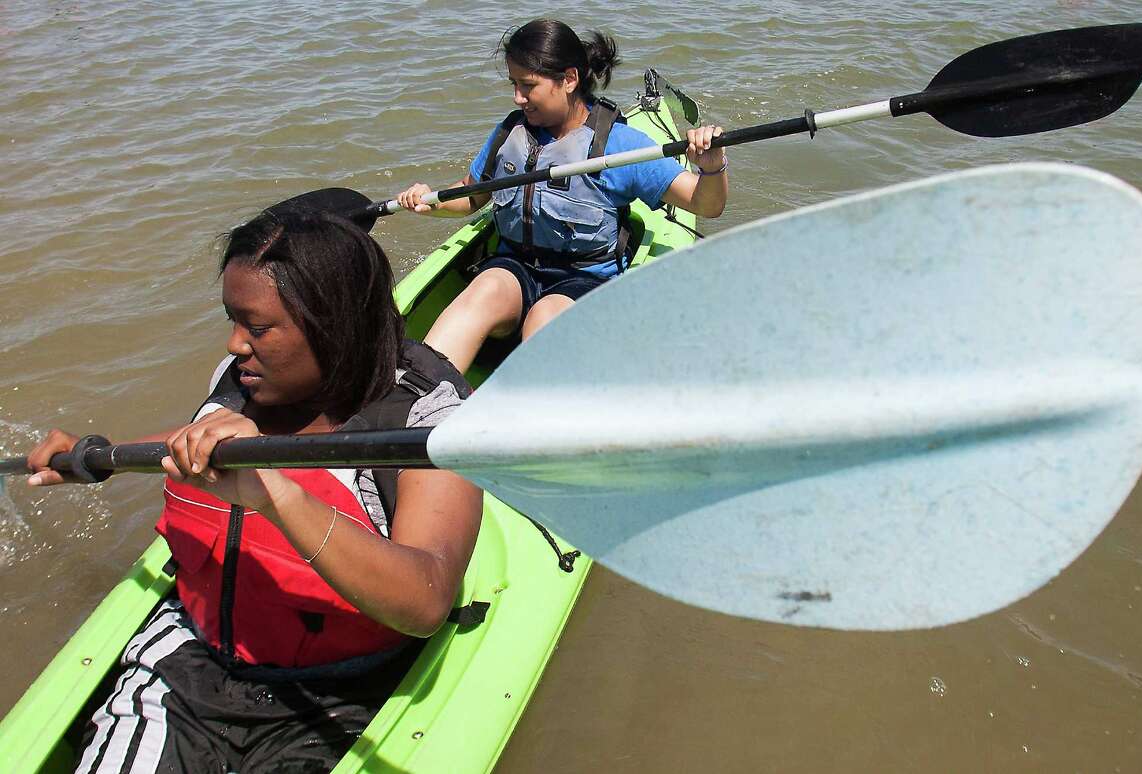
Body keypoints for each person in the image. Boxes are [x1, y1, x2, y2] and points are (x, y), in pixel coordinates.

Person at [26, 194, 483, 772]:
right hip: (187, 661)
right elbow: (187, 444)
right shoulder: (241, 380)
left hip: (347, 693)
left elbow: (426, 601)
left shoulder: (428, 418)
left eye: (258, 327)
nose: (235, 345)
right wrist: (96, 455)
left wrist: (277, 493)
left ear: (332, 323)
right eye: (232, 320)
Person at [395, 18, 729, 374]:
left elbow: (705, 204)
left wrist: (712, 167)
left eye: (528, 86)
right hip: (514, 269)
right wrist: (429, 201)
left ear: (569, 80)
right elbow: (472, 195)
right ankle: (420, 396)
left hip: (583, 280)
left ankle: (531, 413)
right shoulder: (510, 133)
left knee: (544, 318)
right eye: (513, 84)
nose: (517, 97)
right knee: (485, 289)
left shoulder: (619, 146)